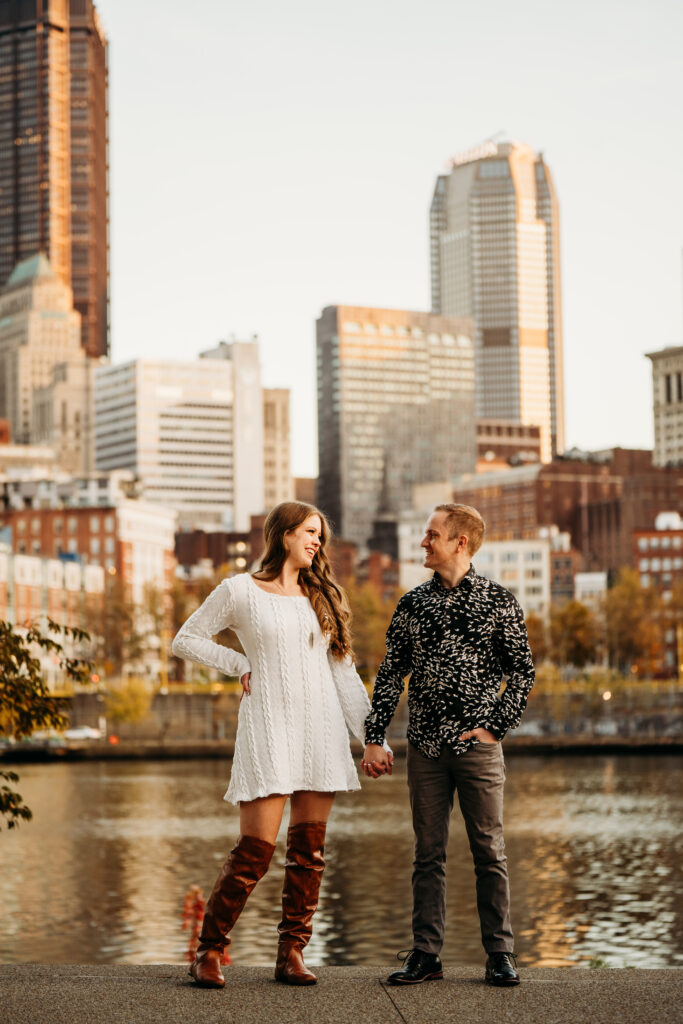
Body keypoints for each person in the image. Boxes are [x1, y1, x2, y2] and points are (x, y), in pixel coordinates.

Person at [172, 501, 391, 988]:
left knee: (309, 853)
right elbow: (186, 639)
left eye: (321, 536)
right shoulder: (240, 591)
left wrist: (371, 740)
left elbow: (343, 672)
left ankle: (291, 952)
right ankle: (209, 951)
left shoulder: (323, 596)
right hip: (269, 726)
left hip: (321, 729)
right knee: (255, 851)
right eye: (310, 532)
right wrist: (239, 666)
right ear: (284, 534)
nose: (317, 542)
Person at [362, 504, 534, 987]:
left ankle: (500, 953)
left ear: (460, 542)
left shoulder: (499, 601)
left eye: (431, 535)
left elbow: (522, 672)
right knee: (427, 854)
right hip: (426, 751)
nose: (424, 542)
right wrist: (375, 737)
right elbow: (391, 673)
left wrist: (496, 728)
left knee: (489, 851)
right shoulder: (413, 604)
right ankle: (426, 954)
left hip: (477, 750)